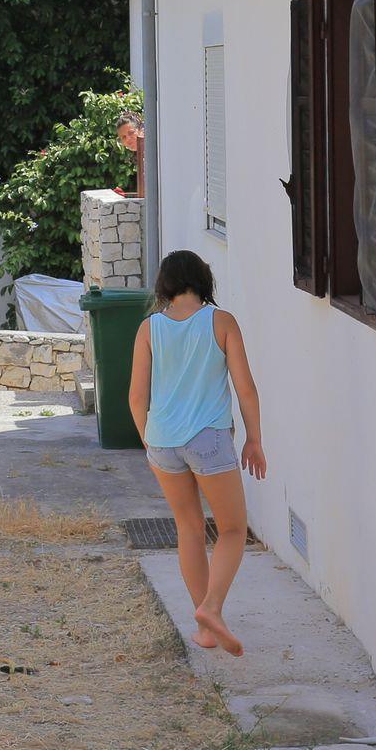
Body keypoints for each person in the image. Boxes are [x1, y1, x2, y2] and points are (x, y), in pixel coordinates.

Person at [128, 249, 265, 656]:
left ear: (165, 285)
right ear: (204, 281)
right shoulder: (221, 322)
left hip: (162, 440)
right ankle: (212, 608)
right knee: (232, 529)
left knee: (188, 528)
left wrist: (149, 440)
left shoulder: (149, 328)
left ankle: (205, 629)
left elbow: (136, 397)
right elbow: (245, 389)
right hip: (208, 439)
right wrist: (254, 439)